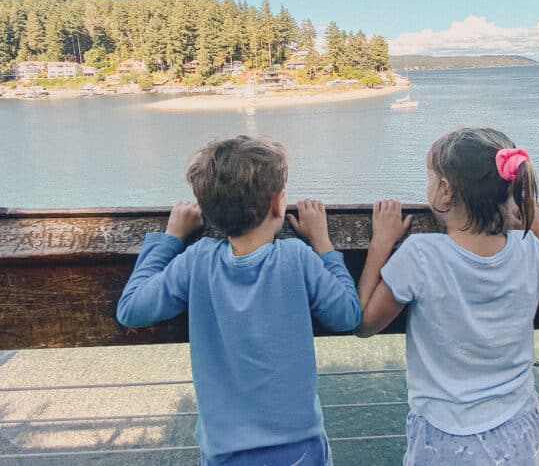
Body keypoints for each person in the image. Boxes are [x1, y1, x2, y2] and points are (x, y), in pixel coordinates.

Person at [116, 135, 361, 465]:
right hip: (297, 448)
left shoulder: (197, 260)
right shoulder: (296, 257)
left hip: (225, 453)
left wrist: (170, 238)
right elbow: (347, 315)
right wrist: (323, 244)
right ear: (277, 203)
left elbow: (131, 309)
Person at [355, 127, 539, 465]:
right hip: (517, 433)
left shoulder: (420, 255)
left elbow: (363, 322)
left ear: (445, 192)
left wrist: (380, 244)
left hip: (444, 438)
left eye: (431, 180)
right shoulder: (530, 253)